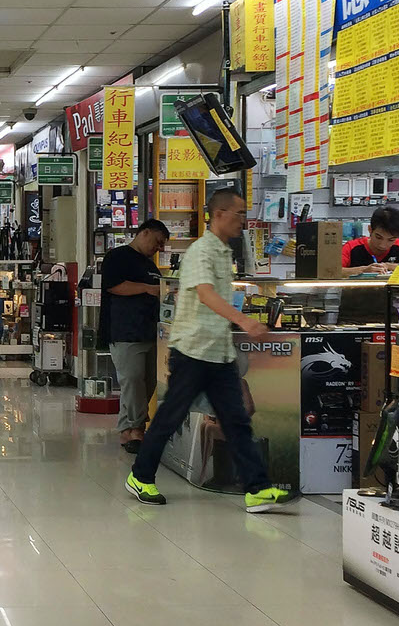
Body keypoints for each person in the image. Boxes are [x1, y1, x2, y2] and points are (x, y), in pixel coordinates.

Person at [126, 189, 300, 513]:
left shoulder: (222, 251)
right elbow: (205, 294)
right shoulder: (201, 251)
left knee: (237, 420)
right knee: (170, 417)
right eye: (238, 214)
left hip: (218, 353)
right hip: (192, 351)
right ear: (219, 214)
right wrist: (243, 321)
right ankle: (140, 476)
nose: (243, 221)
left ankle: (257, 489)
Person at [102, 220, 170, 453]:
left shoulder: (149, 265)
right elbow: (113, 286)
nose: (158, 248)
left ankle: (126, 430)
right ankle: (137, 428)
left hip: (150, 332)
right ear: (145, 232)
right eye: (157, 242)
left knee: (146, 382)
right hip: (125, 332)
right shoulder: (118, 256)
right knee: (131, 379)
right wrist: (147, 288)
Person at [341, 206, 399, 277]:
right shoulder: (351, 247)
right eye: (378, 237)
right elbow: (333, 272)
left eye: (391, 240)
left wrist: (389, 266)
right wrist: (363, 271)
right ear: (370, 229)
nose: (383, 245)